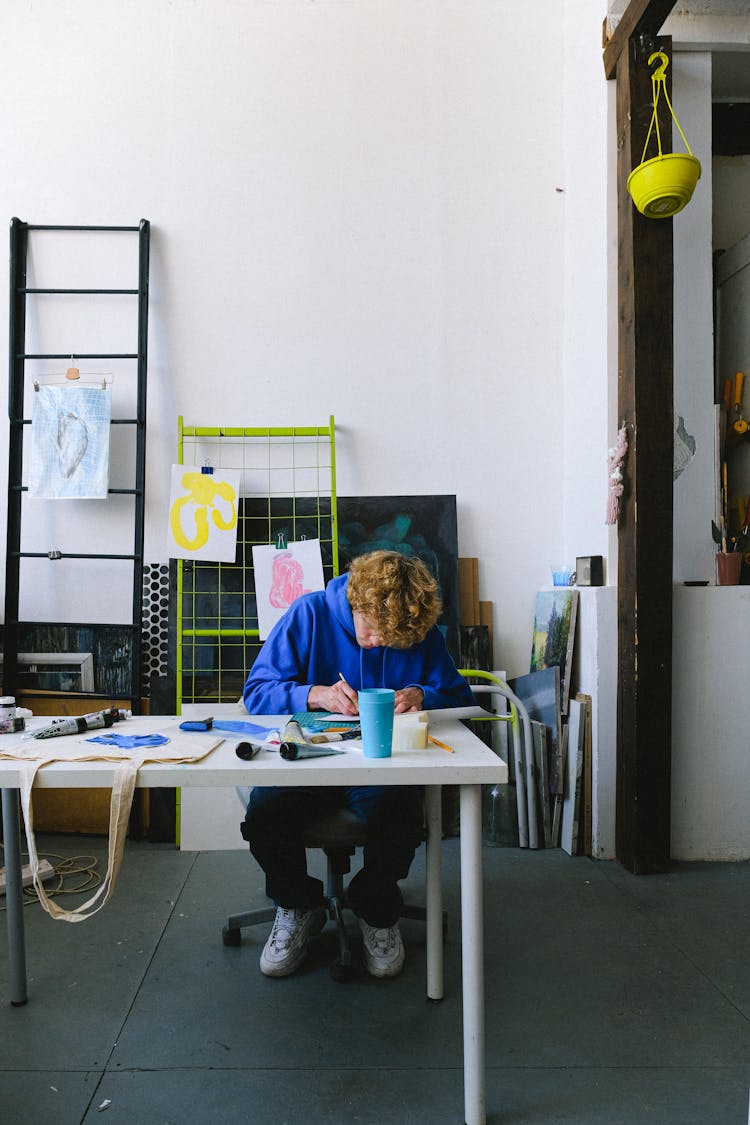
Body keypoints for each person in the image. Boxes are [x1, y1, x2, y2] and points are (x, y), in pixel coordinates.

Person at [241, 549, 474, 979]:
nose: (380, 642)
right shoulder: (309, 613)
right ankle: (298, 905)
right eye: (372, 631)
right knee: (265, 813)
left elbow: (460, 696)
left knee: (400, 812)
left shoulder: (416, 629)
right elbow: (257, 691)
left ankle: (377, 908)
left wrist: (422, 694)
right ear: (355, 602)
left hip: (383, 766)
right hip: (307, 761)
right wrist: (315, 694)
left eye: (392, 639)